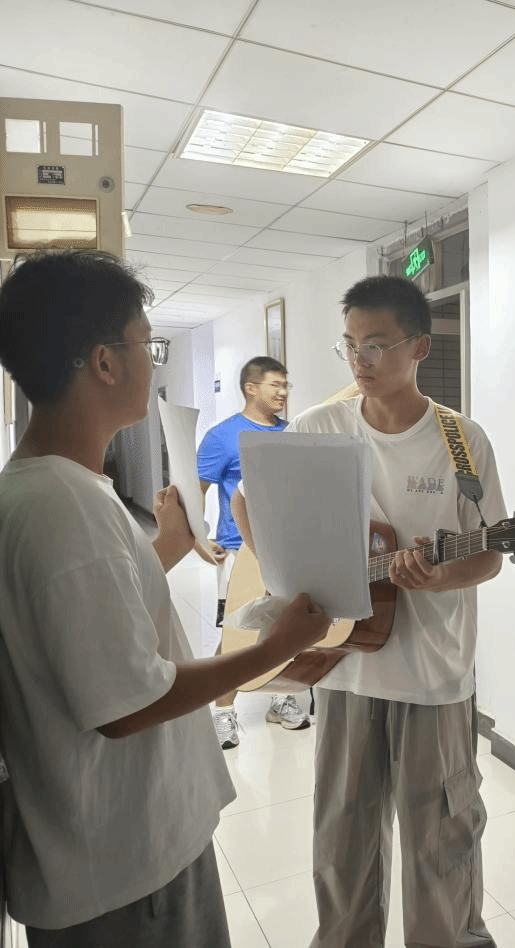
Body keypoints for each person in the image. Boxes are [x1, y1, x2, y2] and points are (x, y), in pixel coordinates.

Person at [0, 250, 331, 947]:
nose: (153, 366)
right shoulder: (65, 506)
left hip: (112, 862)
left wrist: (168, 550)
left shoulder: (49, 490)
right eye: (145, 345)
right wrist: (275, 649)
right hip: (128, 874)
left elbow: (88, 616)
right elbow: (129, 703)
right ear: (104, 363)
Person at [233, 275, 507, 948]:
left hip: (434, 677)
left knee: (441, 842)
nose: (361, 360)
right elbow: (257, 511)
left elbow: (490, 554)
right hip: (344, 669)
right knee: (343, 842)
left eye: (377, 345)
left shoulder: (462, 441)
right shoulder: (317, 429)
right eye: (351, 345)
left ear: (420, 347)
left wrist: (438, 576)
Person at [197, 355, 310, 748]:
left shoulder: (292, 433)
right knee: (237, 634)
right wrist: (200, 536)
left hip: (286, 551)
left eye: (285, 385)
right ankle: (223, 713)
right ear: (250, 388)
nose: (283, 392)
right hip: (238, 550)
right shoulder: (223, 436)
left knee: (285, 627)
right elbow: (196, 491)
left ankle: (280, 700)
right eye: (275, 384)